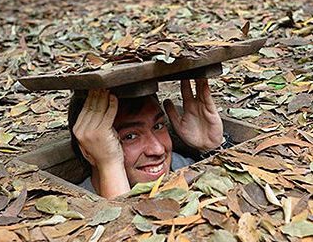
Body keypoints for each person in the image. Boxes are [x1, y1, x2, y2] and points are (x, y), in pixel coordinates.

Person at [68, 78, 224, 198]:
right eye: (130, 136)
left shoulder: (178, 166)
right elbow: (124, 233)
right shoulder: (77, 208)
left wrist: (211, 148)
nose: (158, 150)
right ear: (89, 151)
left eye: (158, 126)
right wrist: (110, 166)